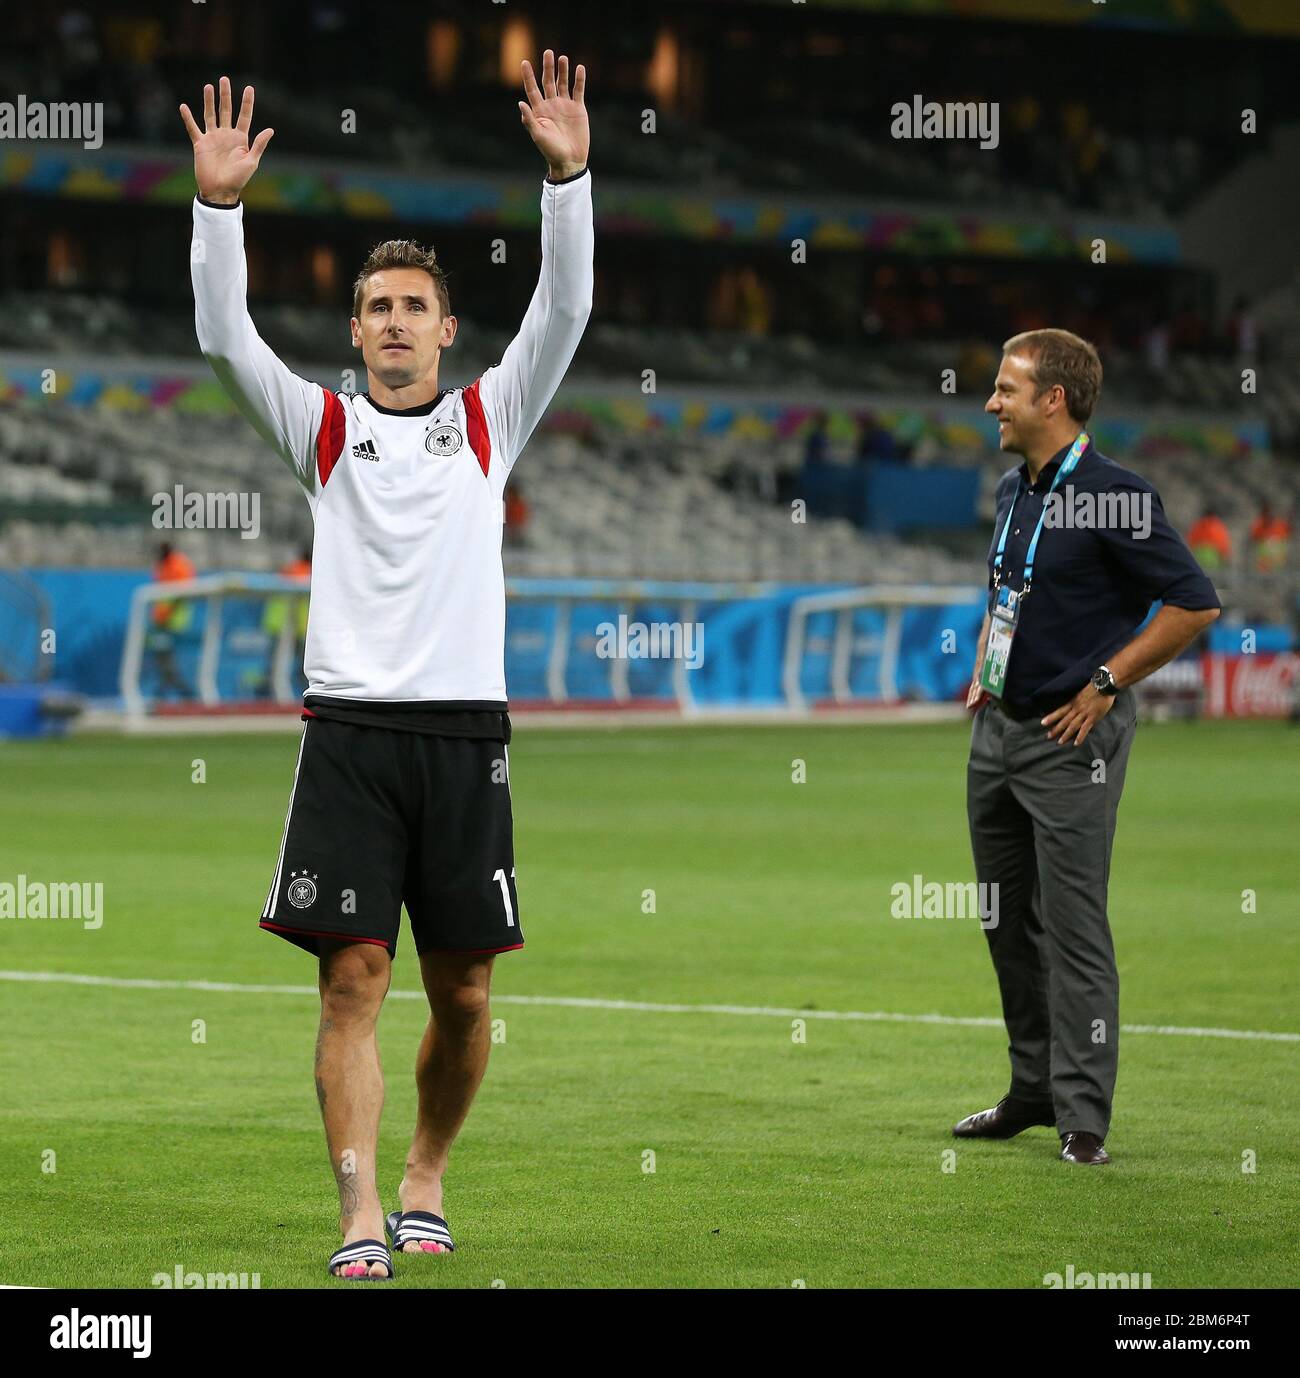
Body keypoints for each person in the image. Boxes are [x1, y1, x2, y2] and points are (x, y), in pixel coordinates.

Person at [180, 56, 593, 1279]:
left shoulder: (488, 420)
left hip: (467, 738)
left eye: (417, 306)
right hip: (351, 737)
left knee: (463, 997)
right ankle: (361, 1212)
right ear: (354, 331)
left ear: (449, 329)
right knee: (351, 983)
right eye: (378, 309)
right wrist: (217, 210)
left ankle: (427, 1175)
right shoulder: (321, 429)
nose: (398, 322)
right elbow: (221, 335)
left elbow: (563, 315)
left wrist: (567, 180)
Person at [961, 328, 1220, 1166]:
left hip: (1072, 740)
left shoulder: (1116, 495)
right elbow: (1010, 588)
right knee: (1007, 925)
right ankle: (1031, 1090)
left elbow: (1192, 603)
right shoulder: (1014, 489)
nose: (992, 402)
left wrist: (1107, 681)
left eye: (1006, 388)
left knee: (1073, 928)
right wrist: (982, 664)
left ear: (1054, 401)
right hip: (997, 732)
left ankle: (1083, 1116)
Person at [147, 541, 195, 699]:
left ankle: (182, 692)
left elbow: (181, 594)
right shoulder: (162, 566)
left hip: (173, 621)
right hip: (161, 620)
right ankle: (170, 691)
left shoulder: (179, 565)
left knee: (167, 658)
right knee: (163, 657)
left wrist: (167, 615)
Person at [1186, 506, 1232, 572]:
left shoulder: (1198, 525)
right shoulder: (1218, 527)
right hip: (1214, 560)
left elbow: (1190, 541)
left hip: (1197, 558)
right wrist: (1226, 559)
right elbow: (1224, 546)